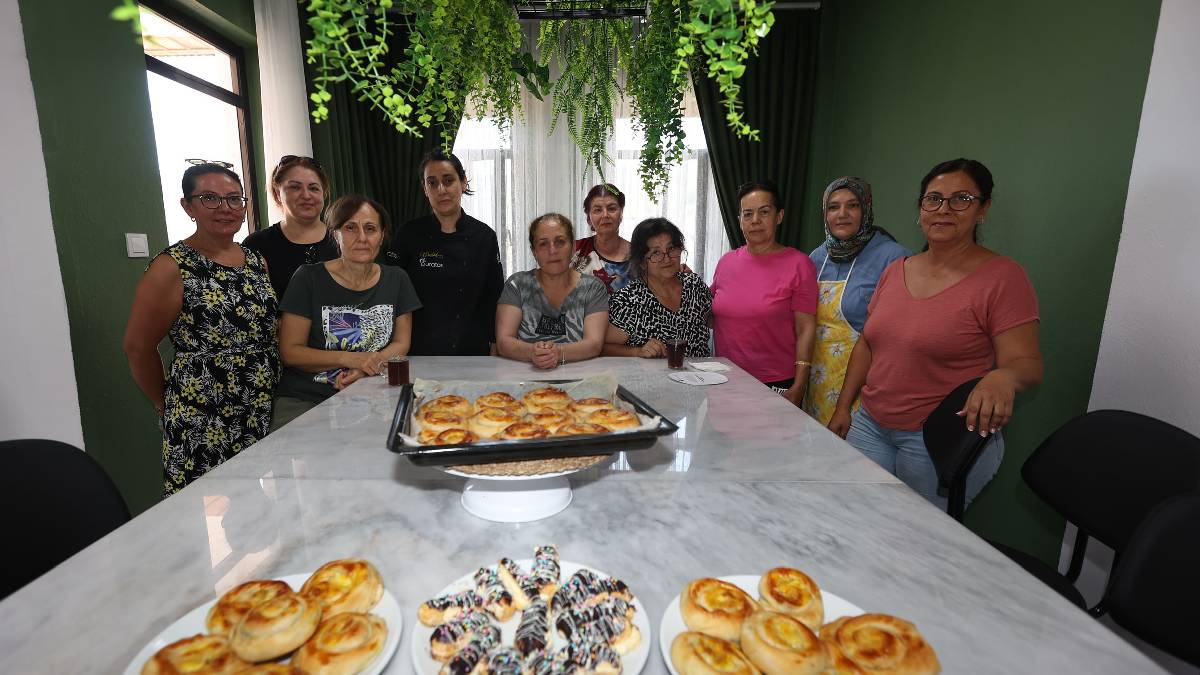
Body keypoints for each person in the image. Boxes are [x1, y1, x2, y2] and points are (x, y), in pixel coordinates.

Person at [828, 158, 1043, 508]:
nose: (944, 209)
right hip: (871, 425)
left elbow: (1027, 363)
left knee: (914, 533)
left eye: (961, 199)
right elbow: (867, 343)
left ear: (983, 209)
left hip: (932, 439)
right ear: (921, 208)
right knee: (855, 514)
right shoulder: (897, 269)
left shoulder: (1002, 277)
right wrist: (843, 407)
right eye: (934, 199)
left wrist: (1003, 377)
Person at [123, 162, 279, 496]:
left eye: (234, 199)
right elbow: (137, 347)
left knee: (255, 501)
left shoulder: (256, 260)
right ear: (188, 206)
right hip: (203, 409)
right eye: (210, 198)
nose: (225, 208)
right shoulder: (172, 266)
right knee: (197, 503)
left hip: (260, 402)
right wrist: (164, 403)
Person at [273, 194, 421, 428]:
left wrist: (365, 369)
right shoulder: (308, 278)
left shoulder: (397, 279)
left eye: (370, 228)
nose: (362, 238)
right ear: (335, 234)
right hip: (307, 398)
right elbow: (290, 352)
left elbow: (401, 342)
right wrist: (351, 359)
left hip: (372, 391)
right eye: (350, 228)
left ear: (381, 236)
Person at [803, 177, 910, 424]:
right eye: (833, 207)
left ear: (866, 209)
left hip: (863, 387)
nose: (842, 214)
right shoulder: (817, 258)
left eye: (852, 205)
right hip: (817, 382)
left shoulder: (893, 258)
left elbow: (899, 334)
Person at [385, 150, 503, 355]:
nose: (441, 189)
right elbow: (392, 294)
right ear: (425, 189)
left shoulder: (485, 236)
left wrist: (495, 343)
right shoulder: (408, 234)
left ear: (463, 182)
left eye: (448, 180)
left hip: (473, 350)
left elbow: (494, 295)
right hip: (418, 351)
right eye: (432, 183)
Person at [710, 181, 817, 407]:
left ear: (779, 216)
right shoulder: (726, 262)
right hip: (724, 379)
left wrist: (800, 384)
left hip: (775, 383)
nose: (755, 220)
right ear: (739, 220)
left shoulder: (799, 264)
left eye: (764, 212)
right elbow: (711, 314)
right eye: (748, 214)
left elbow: (805, 329)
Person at [497, 213, 608, 369]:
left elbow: (594, 344)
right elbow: (504, 341)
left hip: (579, 377)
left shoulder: (593, 288)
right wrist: (532, 353)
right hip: (523, 377)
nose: (552, 250)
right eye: (543, 244)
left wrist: (558, 353)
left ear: (573, 247)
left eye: (560, 242)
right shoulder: (517, 285)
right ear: (534, 251)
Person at [604, 218, 712, 358]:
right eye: (656, 253)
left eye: (671, 249)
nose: (667, 259)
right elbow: (603, 348)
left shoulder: (694, 285)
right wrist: (638, 351)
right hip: (650, 373)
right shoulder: (628, 300)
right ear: (641, 262)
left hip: (700, 371)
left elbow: (718, 321)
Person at [243, 155, 339, 300]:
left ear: (323, 193)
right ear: (277, 194)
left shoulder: (344, 239)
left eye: (313, 188)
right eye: (295, 187)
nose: (306, 195)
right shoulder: (257, 245)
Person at [571, 183, 633, 294]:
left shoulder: (640, 256)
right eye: (598, 210)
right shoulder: (573, 250)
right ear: (588, 218)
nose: (605, 215)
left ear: (621, 213)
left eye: (611, 209)